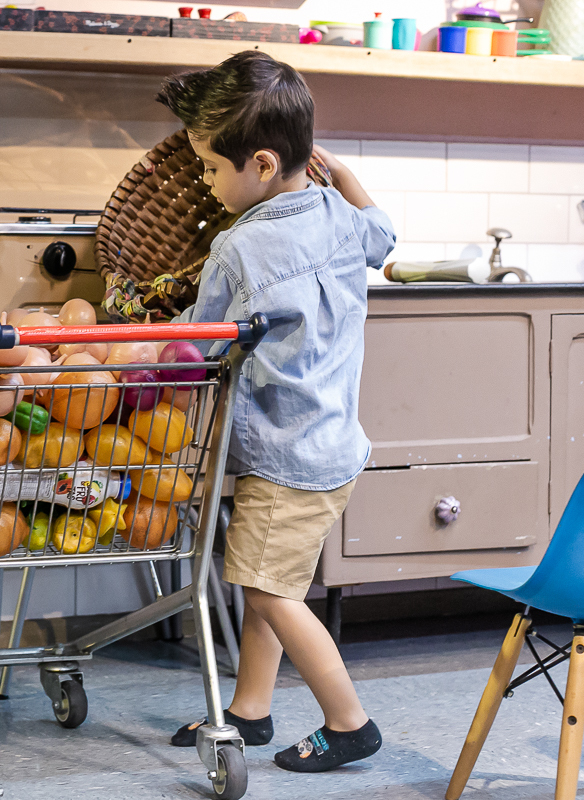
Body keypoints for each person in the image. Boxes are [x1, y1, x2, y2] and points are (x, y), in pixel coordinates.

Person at [157, 50, 395, 772]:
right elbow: (383, 236)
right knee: (271, 582)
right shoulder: (338, 216)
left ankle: (349, 720)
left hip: (284, 459)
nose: (204, 181)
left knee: (266, 589)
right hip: (331, 451)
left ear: (261, 163)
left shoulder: (238, 249)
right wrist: (347, 177)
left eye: (208, 167)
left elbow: (199, 348)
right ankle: (249, 711)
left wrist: (147, 340)